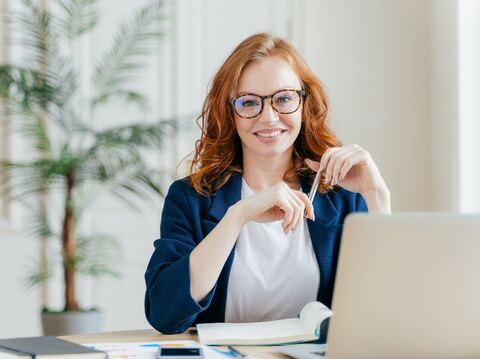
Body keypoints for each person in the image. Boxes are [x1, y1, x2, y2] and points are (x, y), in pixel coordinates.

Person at [144, 33, 390, 334]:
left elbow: (384, 312)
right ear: (230, 112)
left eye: (284, 98)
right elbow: (164, 314)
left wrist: (376, 195)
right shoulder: (191, 198)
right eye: (249, 102)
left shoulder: (340, 197)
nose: (269, 117)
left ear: (304, 104)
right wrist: (238, 216)